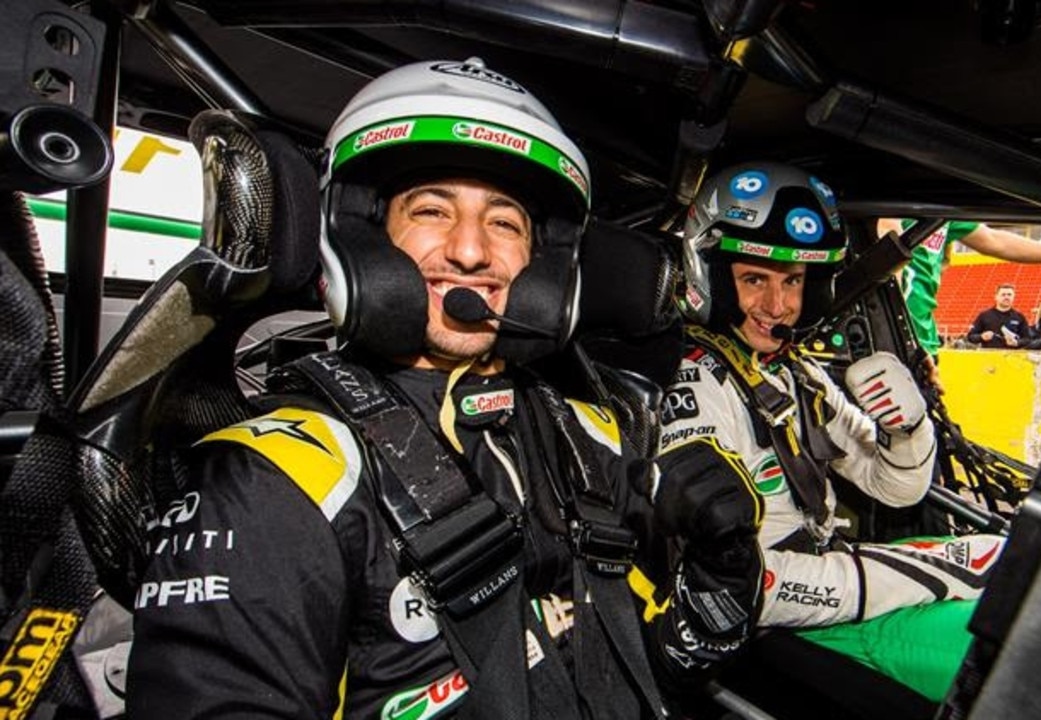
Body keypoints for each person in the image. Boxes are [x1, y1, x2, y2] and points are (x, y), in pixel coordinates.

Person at [127, 58, 764, 719]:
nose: (470, 251)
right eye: (432, 209)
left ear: (543, 265)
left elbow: (662, 668)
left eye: (504, 222)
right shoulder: (282, 479)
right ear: (362, 240)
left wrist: (724, 570)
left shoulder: (591, 436)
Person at [665, 162, 1005, 702]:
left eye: (793, 280)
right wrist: (915, 574)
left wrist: (908, 429)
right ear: (714, 278)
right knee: (1008, 654)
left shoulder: (796, 372)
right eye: (755, 278)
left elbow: (895, 486)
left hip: (835, 582)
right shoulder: (691, 384)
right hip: (784, 623)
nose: (778, 306)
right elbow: (740, 584)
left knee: (1017, 567)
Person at [881, 219, 1041, 362]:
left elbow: (995, 241)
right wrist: (897, 341)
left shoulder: (944, 211)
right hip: (887, 341)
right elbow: (887, 253)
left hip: (922, 345)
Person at [965, 284, 1030, 349]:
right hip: (989, 355)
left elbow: (1027, 339)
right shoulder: (984, 315)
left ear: (1013, 297)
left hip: (1012, 356)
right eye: (1003, 295)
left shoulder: (1019, 317)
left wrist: (1017, 343)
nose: (1006, 297)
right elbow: (970, 337)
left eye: (1009, 295)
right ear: (996, 297)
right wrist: (981, 337)